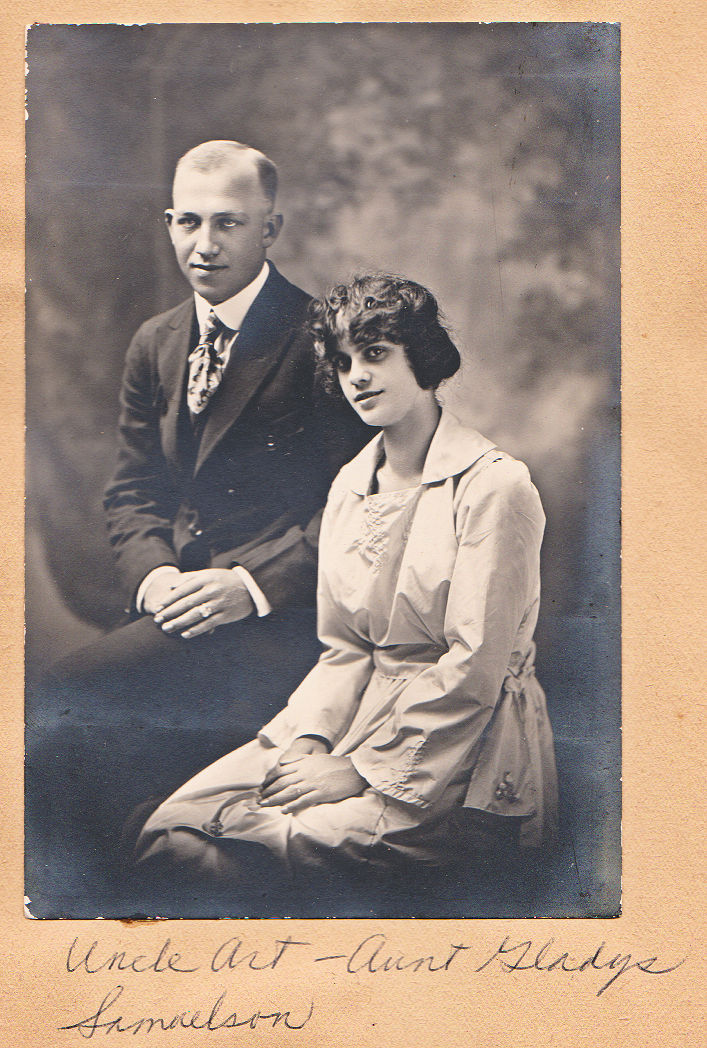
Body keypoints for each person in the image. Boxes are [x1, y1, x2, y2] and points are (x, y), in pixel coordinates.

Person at [134, 274, 558, 900]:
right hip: (353, 717)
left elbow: (476, 665)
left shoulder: (495, 487)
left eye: (375, 353)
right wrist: (311, 740)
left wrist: (359, 769)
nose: (356, 376)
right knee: (170, 831)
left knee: (226, 857)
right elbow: (346, 650)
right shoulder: (350, 487)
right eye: (342, 361)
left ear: (423, 357)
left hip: (460, 748)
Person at [26, 141, 367, 876]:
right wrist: (155, 579)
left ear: (270, 229)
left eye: (228, 223)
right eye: (188, 222)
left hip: (288, 620)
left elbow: (364, 506)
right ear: (168, 223)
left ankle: (139, 885)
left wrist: (250, 587)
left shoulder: (320, 339)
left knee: (69, 699)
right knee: (59, 711)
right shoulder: (156, 342)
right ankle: (111, 903)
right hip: (181, 607)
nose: (204, 245)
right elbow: (133, 490)